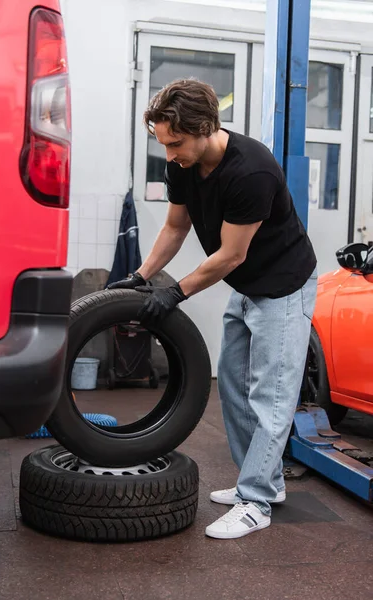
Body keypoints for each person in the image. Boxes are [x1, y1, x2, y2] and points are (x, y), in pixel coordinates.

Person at [108, 78, 317, 540]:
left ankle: (256, 501)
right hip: (246, 287)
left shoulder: (252, 171)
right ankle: (263, 483)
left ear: (204, 127)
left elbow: (230, 255)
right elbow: (174, 227)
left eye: (176, 143)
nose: (169, 154)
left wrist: (175, 292)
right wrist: (142, 276)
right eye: (163, 143)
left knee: (271, 396)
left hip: (283, 288)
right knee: (236, 389)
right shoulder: (183, 165)